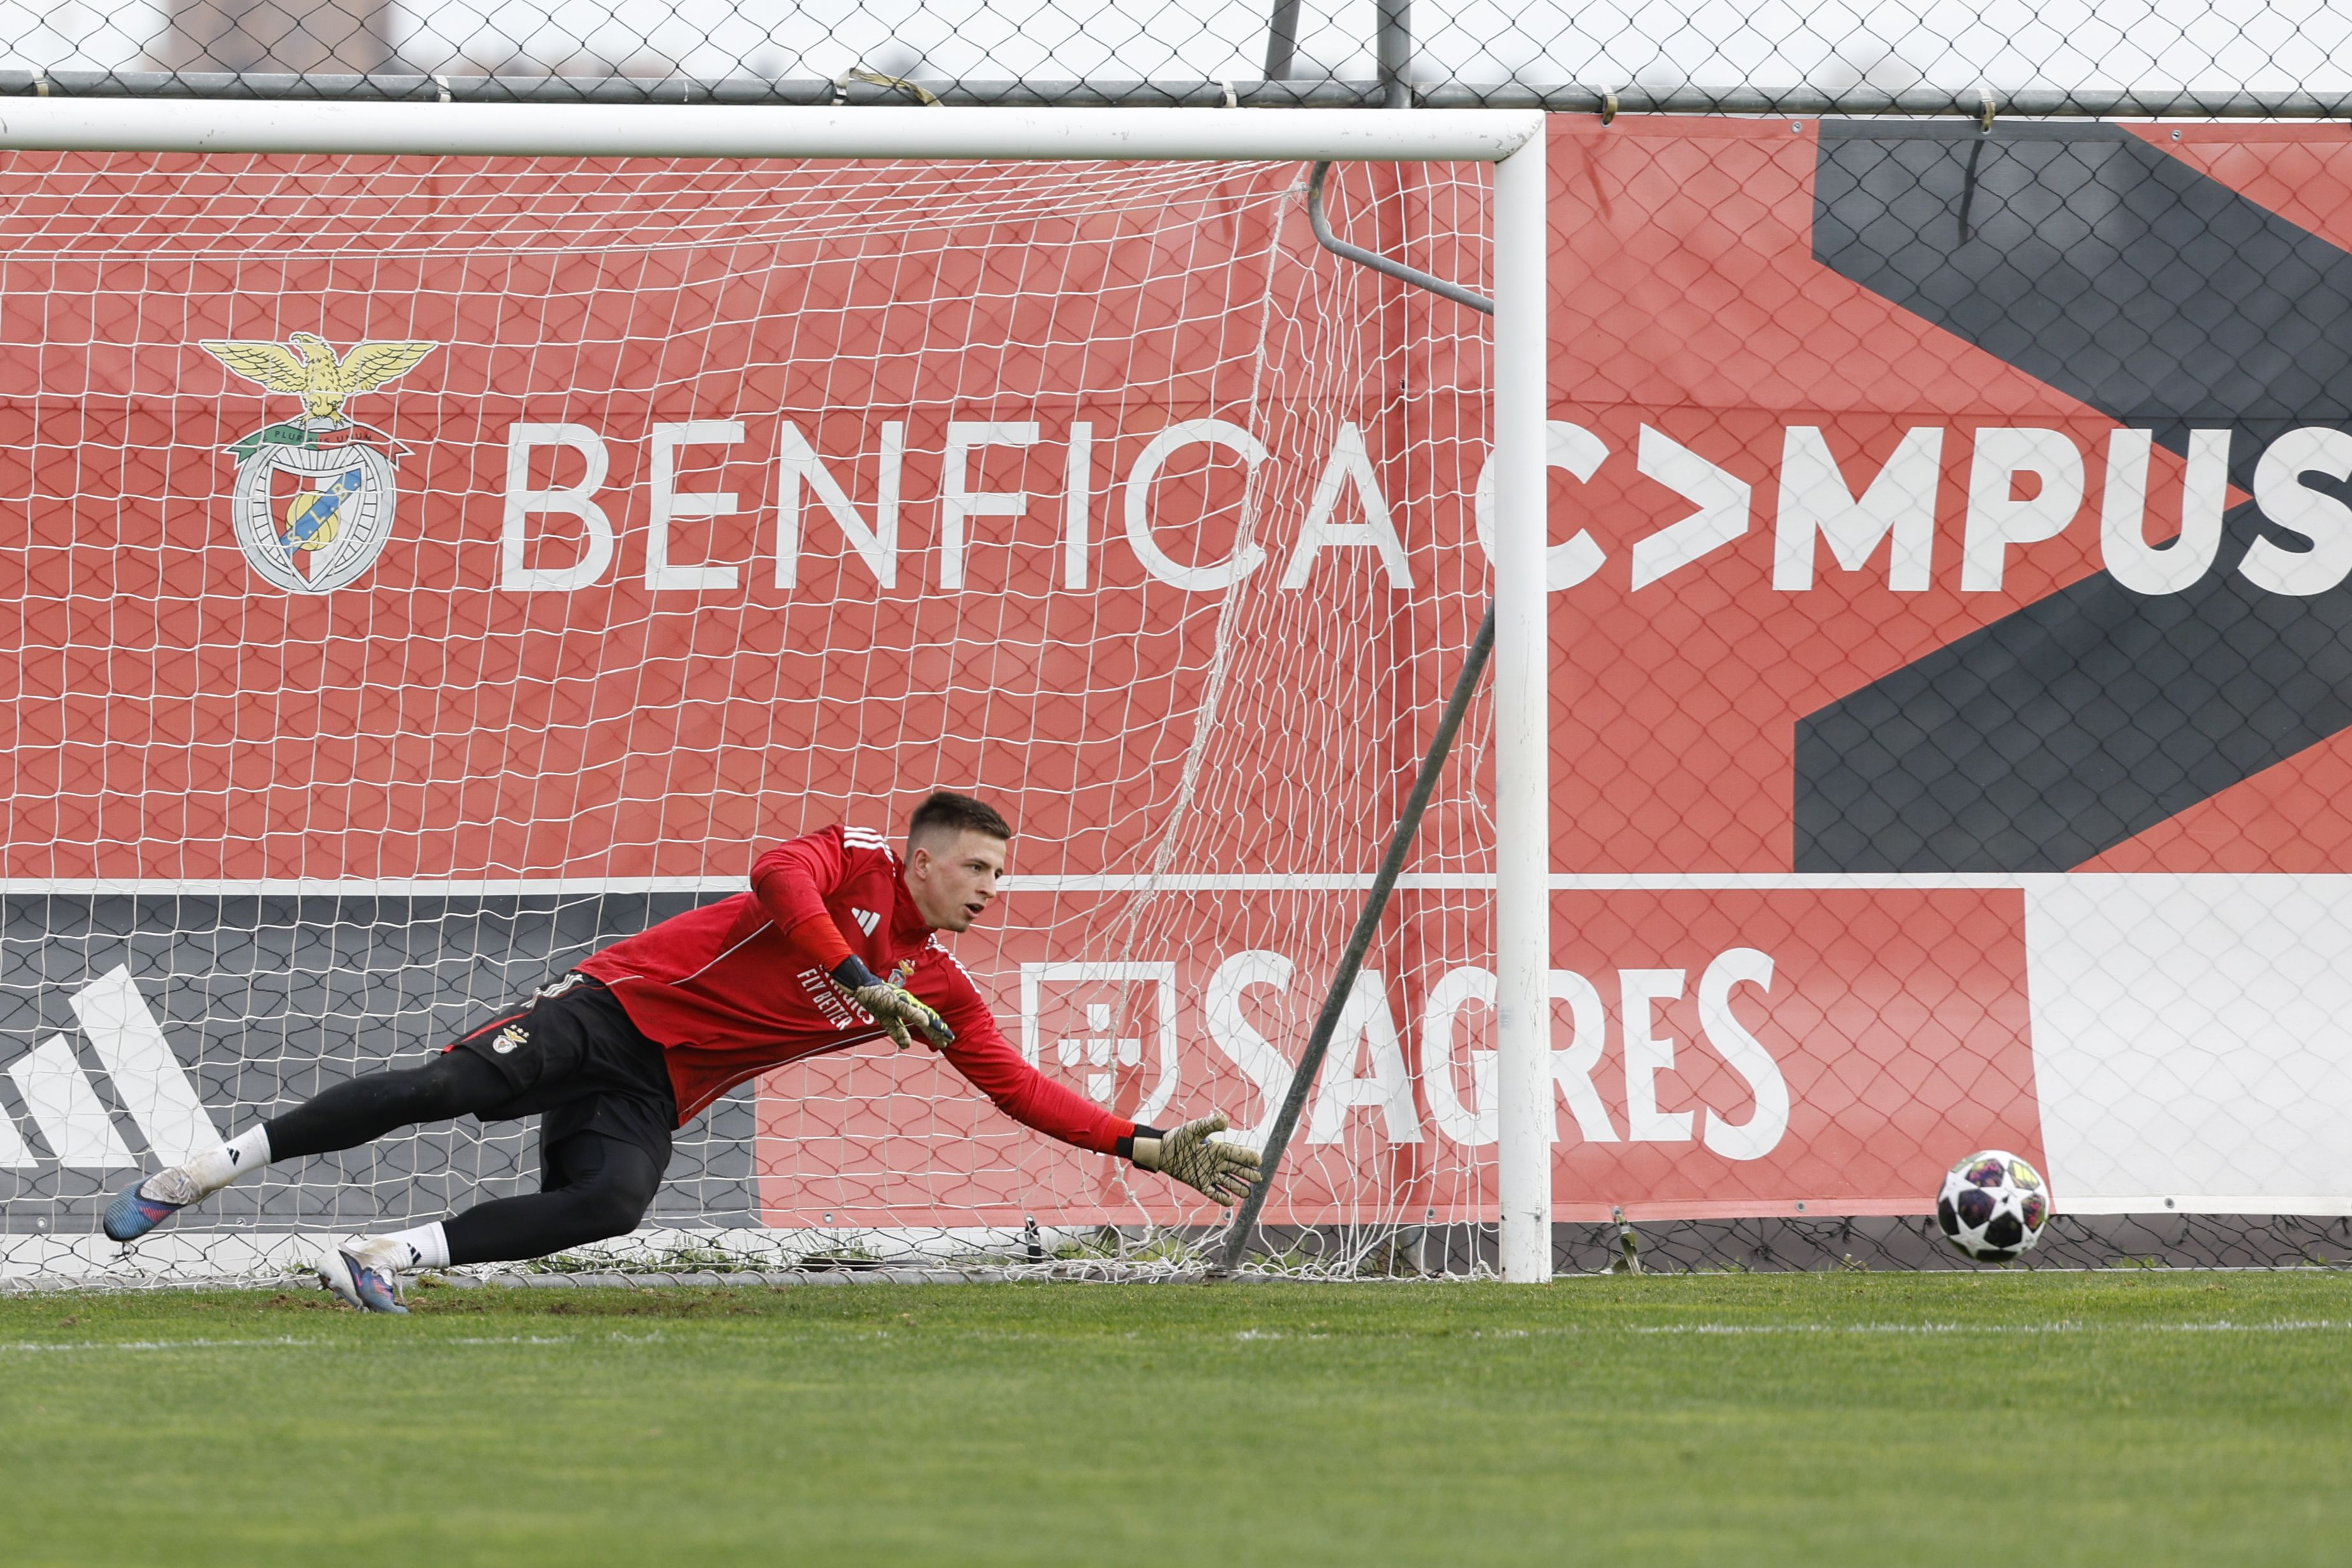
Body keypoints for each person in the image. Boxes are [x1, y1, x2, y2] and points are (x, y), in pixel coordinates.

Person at [103, 791, 1259, 1311]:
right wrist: (859, 979)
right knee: (441, 1084)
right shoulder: (852, 858)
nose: (992, 893)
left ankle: (380, 1256)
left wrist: (1145, 1144)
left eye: (1002, 877)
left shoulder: (937, 986)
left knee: (611, 1201)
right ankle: (201, 1172)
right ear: (919, 860)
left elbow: (1012, 1085)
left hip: (656, 1083)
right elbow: (775, 879)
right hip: (608, 1006)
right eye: (979, 871)